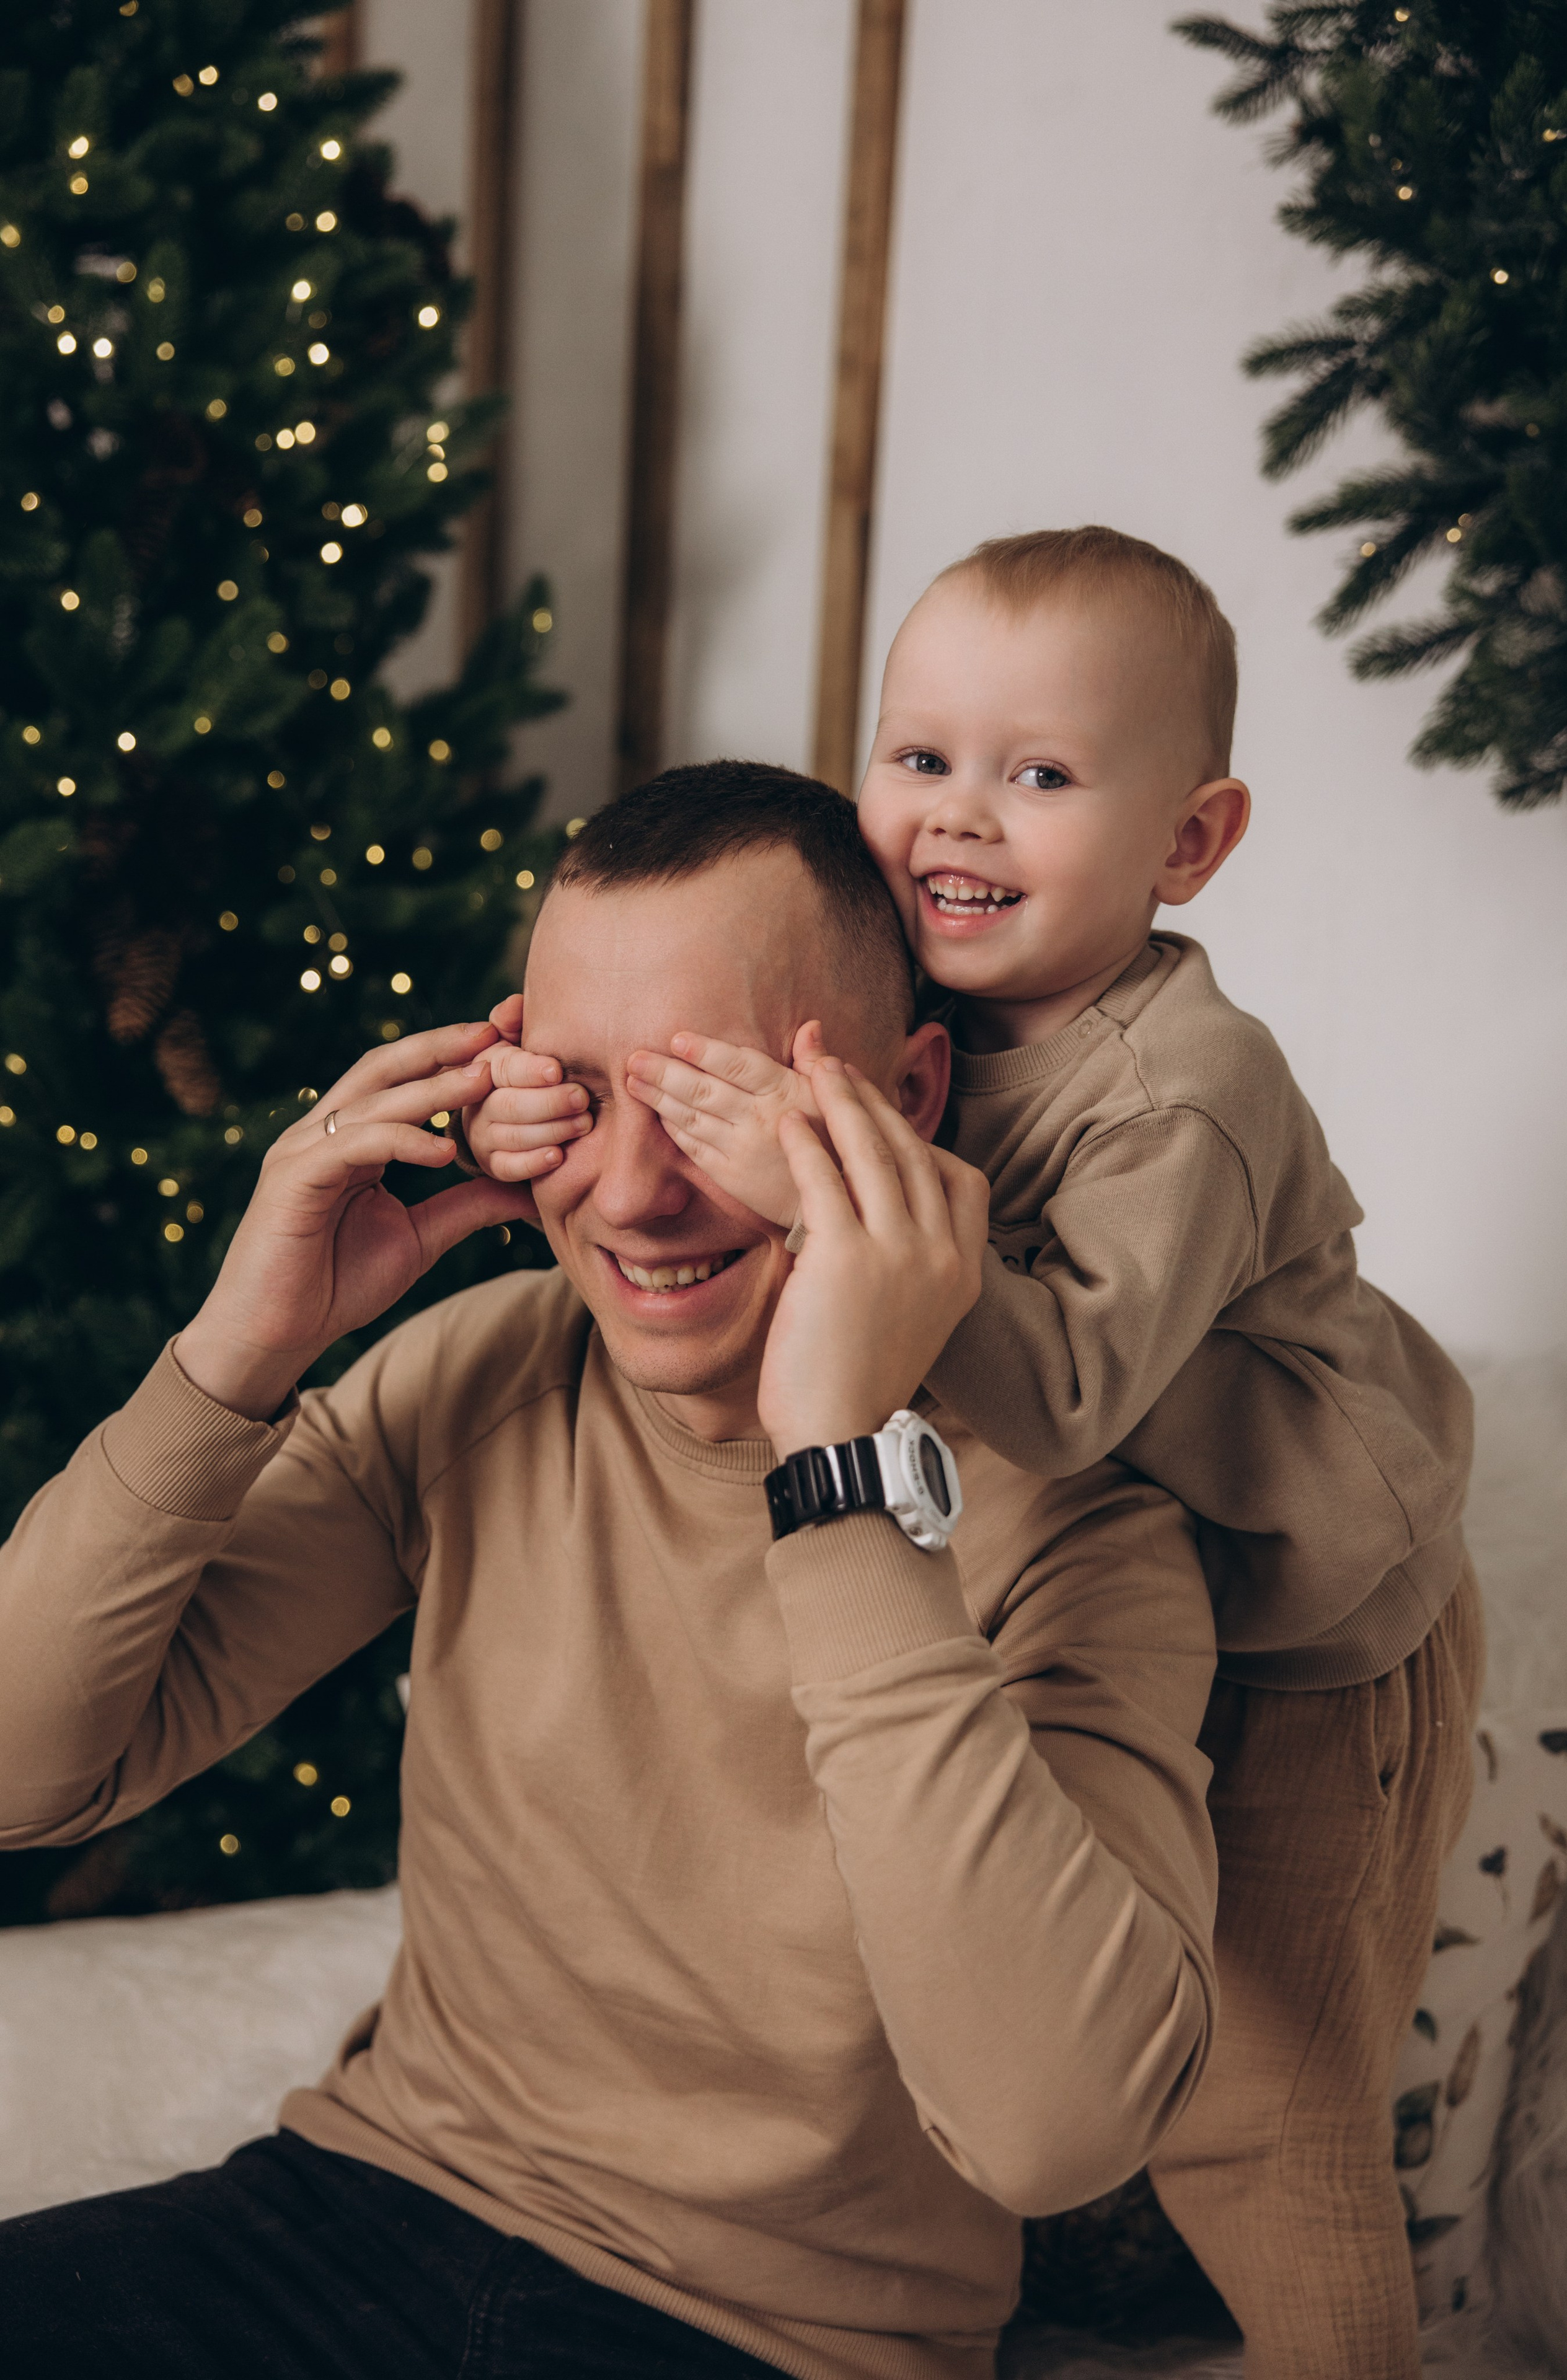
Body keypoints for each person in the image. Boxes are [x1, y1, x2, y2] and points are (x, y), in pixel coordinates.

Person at [0, 764, 1222, 2380]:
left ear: (908, 1098)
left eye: (715, 1102)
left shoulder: (1084, 1525)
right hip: (362, 2207)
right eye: (580, 1094)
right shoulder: (489, 1372)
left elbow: (1051, 2131)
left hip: (778, 2341)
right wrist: (242, 1348)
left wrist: (834, 1462)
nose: (636, 1193)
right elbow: (23, 1772)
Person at [468, 532, 1484, 2380]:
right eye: (921, 757)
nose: (961, 820)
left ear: (1190, 845)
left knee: (1265, 2088)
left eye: (1042, 777)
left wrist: (834, 1225)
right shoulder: (919, 1021)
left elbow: (1077, 1381)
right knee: (1089, 1960)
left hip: (1333, 1618)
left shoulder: (1188, 1086)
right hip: (1145, 1559)